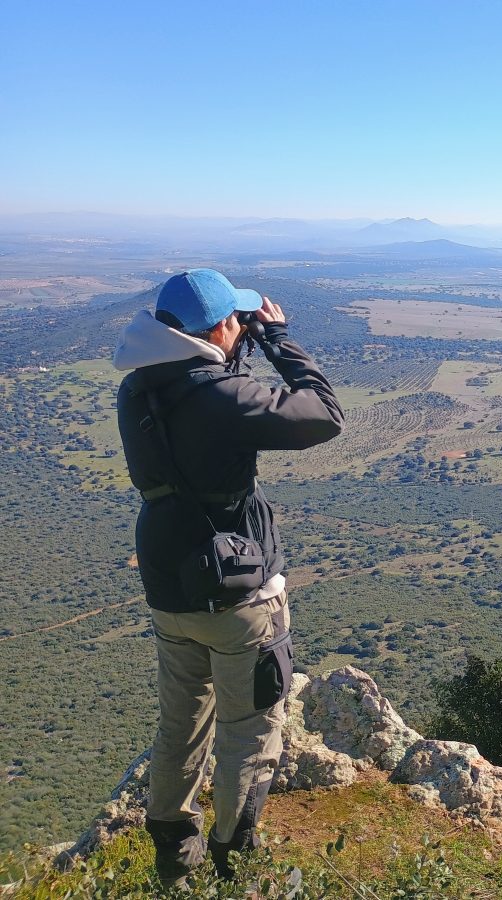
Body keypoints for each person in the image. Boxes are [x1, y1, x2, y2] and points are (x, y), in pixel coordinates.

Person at [113, 268, 343, 886]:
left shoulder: (138, 389)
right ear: (219, 326)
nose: (243, 327)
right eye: (237, 320)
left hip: (168, 587)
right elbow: (323, 415)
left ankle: (174, 860)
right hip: (238, 596)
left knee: (181, 723)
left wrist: (237, 348)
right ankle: (233, 864)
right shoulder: (223, 397)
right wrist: (279, 339)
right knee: (250, 728)